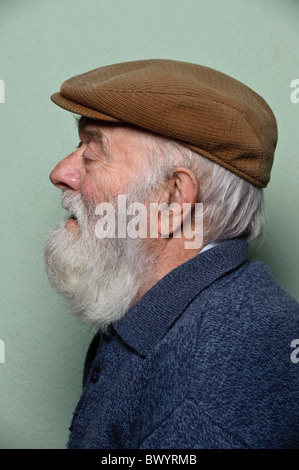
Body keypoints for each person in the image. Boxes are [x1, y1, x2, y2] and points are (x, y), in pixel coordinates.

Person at [44, 59, 299, 449]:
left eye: (91, 155)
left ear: (173, 200)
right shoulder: (172, 313)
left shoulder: (201, 399)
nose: (61, 172)